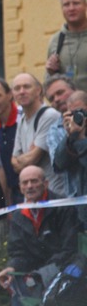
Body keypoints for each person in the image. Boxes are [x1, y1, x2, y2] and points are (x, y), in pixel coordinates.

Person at [0, 166, 83, 306]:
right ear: (20, 187)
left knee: (40, 279)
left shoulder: (62, 206)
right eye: (25, 182)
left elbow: (69, 248)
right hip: (38, 271)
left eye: (34, 181)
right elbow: (19, 253)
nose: (30, 186)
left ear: (46, 183)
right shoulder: (19, 214)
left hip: (65, 266)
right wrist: (11, 267)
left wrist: (40, 272)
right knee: (15, 277)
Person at [10, 72, 58, 179]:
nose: (22, 92)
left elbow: (32, 158)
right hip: (34, 189)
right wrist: (28, 155)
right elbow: (13, 161)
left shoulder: (49, 115)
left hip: (53, 190)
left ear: (38, 90)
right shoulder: (22, 119)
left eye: (26, 87)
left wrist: (25, 156)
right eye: (17, 88)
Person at [52, 90, 87, 227]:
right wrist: (70, 136)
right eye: (72, 114)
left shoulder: (79, 138)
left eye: (81, 112)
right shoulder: (74, 133)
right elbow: (59, 164)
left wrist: (79, 140)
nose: (78, 117)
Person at [44, 0, 87, 90]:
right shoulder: (56, 40)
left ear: (85, 6)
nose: (71, 8)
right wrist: (51, 72)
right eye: (66, 5)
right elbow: (48, 84)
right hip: (67, 105)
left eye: (76, 3)